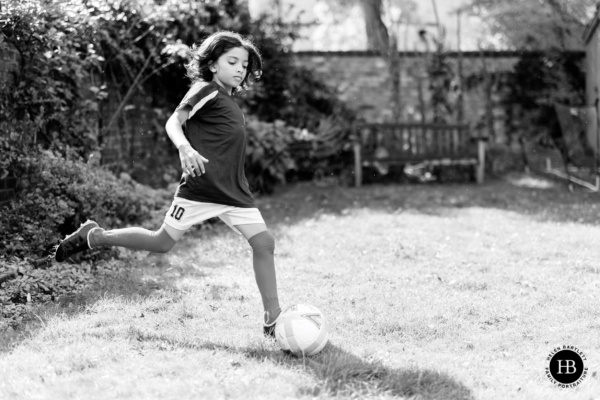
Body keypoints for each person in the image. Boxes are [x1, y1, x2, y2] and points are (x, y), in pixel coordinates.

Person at [54, 31, 282, 337]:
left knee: (264, 242)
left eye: (244, 63)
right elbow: (174, 121)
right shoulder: (205, 89)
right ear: (213, 65)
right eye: (232, 61)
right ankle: (95, 236)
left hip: (233, 191)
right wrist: (185, 148)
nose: (240, 68)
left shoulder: (228, 99)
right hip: (201, 188)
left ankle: (273, 317)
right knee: (161, 243)